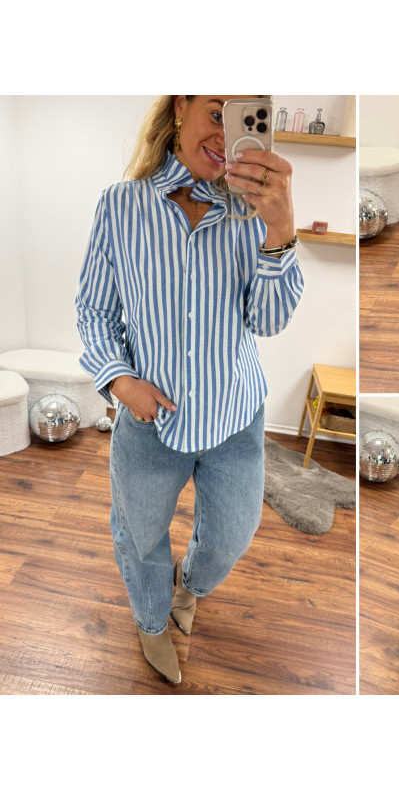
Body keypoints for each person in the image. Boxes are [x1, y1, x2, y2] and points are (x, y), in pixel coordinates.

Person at [76, 96, 303, 685]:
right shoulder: (121, 206)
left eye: (244, 117)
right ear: (181, 105)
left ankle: (189, 586)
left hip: (234, 417)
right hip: (149, 423)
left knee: (231, 536)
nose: (228, 135)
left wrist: (280, 229)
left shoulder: (252, 213)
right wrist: (120, 380)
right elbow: (95, 310)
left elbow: (268, 321)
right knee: (140, 536)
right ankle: (151, 621)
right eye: (218, 112)